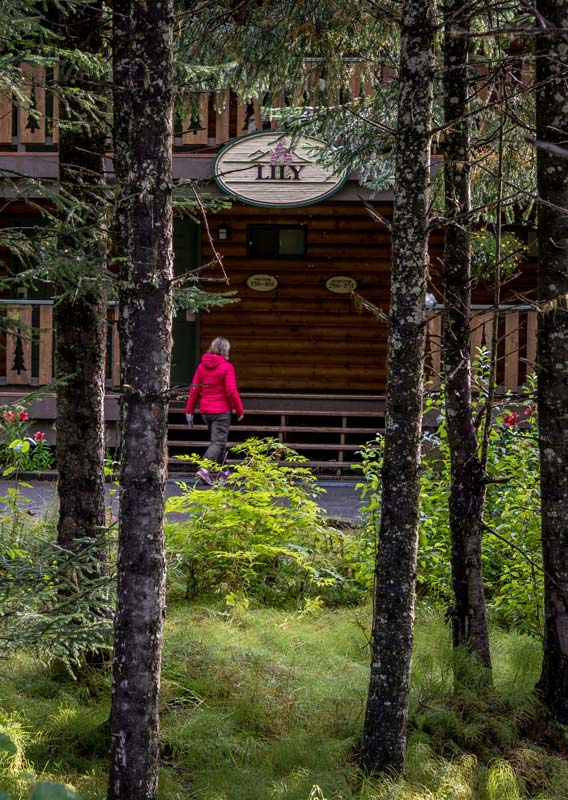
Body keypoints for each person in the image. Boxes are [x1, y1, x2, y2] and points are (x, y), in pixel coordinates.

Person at [185, 337, 244, 485]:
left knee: (219, 443)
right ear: (225, 350)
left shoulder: (201, 367)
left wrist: (189, 410)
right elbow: (231, 391)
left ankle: (223, 473)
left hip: (206, 411)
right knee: (218, 442)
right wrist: (239, 409)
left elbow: (194, 389)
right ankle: (204, 469)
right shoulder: (227, 367)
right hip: (221, 411)